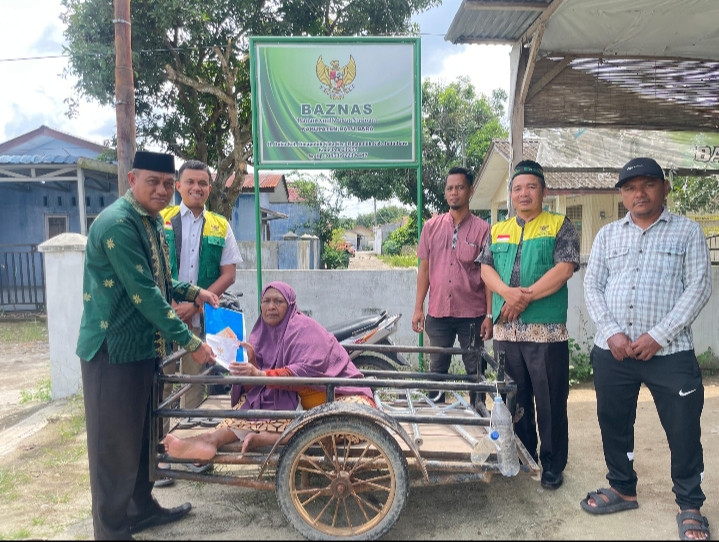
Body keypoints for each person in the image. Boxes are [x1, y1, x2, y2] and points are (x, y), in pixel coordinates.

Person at [75, 151, 219, 540]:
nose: (162, 190)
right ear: (132, 179)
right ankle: (111, 530)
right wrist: (190, 341)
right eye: (153, 182)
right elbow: (145, 294)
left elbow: (163, 281)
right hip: (112, 351)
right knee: (113, 447)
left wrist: (196, 291)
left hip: (143, 348)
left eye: (168, 184)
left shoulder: (152, 220)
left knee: (143, 438)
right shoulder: (119, 224)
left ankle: (140, 509)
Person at [581, 157, 711, 541]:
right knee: (613, 422)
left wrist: (658, 335)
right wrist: (611, 333)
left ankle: (690, 504)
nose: (639, 193)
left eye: (648, 184)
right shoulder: (607, 235)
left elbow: (699, 287)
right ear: (622, 195)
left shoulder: (687, 232)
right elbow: (593, 286)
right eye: (630, 187)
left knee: (683, 428)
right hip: (613, 353)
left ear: (664, 188)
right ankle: (622, 487)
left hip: (670, 353)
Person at [164, 282, 375, 459]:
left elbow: (306, 370)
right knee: (256, 405)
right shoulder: (260, 333)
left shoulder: (306, 329)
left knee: (352, 421)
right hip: (299, 403)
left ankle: (273, 438)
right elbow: (256, 387)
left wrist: (259, 374)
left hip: (340, 397)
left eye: (278, 301)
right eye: (266, 301)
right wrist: (252, 362)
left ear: (290, 305)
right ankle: (209, 440)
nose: (271, 307)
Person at [477, 159, 579, 490]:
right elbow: (485, 270)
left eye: (531, 187)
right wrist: (507, 293)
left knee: (550, 400)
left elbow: (564, 269)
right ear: (511, 194)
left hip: (545, 331)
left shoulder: (559, 224)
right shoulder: (497, 229)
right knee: (514, 399)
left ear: (543, 191)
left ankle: (552, 465)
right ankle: (524, 456)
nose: (524, 193)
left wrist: (524, 297)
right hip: (506, 332)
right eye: (518, 188)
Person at [156, 160, 243, 485]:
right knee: (161, 384)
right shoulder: (159, 220)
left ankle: (191, 455)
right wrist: (170, 307)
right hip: (161, 318)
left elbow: (229, 274)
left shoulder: (220, 225)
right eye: (190, 182)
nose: (196, 188)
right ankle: (160, 455)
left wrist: (194, 305)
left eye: (203, 183)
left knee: (194, 384)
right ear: (178, 186)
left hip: (200, 320)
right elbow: (149, 270)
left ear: (210, 187)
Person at [411, 166, 493, 402]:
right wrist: (418, 308)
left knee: (475, 371)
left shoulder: (483, 230)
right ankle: (436, 415)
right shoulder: (431, 227)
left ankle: (477, 415)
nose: (454, 192)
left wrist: (489, 315)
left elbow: (488, 275)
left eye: (459, 187)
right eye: (450, 188)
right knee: (437, 371)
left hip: (473, 315)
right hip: (438, 313)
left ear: (470, 190)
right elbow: (424, 269)